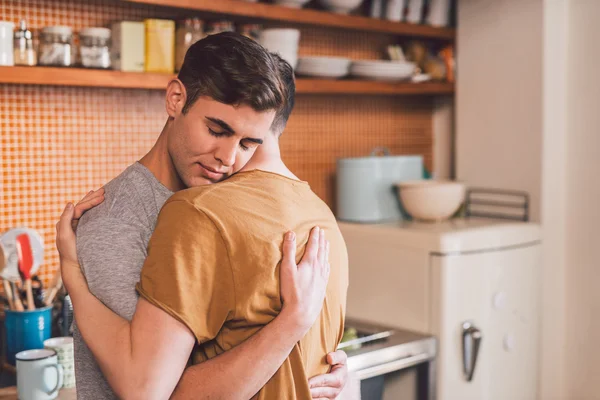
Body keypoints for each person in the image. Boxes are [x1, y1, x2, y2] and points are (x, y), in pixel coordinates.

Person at [60, 32, 347, 399]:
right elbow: (145, 387)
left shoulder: (221, 210)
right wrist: (72, 273)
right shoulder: (117, 219)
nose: (227, 158)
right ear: (175, 99)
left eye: (246, 144)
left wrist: (311, 361)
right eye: (216, 130)